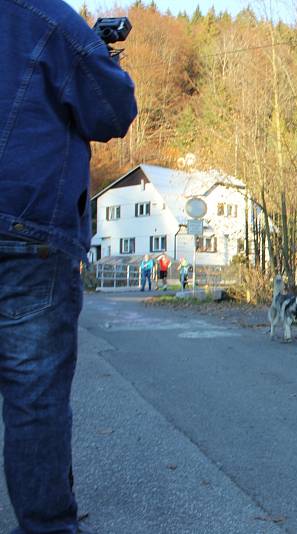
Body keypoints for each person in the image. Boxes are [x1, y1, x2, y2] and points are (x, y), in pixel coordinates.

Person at [0, 2, 137, 532]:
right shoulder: (46, 18)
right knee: (33, 394)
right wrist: (103, 55)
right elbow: (112, 110)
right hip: (27, 229)